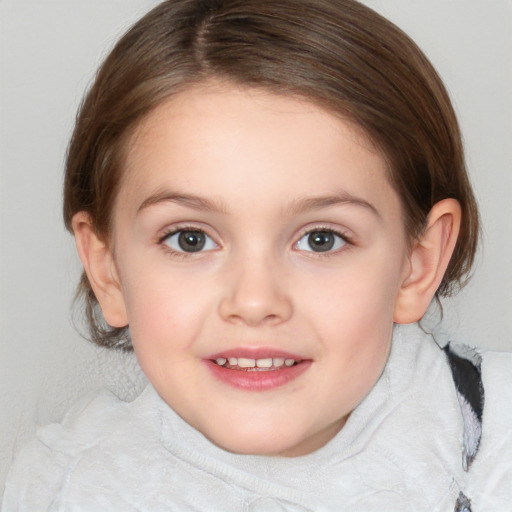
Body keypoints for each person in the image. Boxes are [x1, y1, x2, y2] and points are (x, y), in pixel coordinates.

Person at [2, 0, 511, 510]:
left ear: (417, 263)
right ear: (108, 269)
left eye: (321, 239)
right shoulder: (56, 489)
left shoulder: (497, 452)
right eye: (190, 239)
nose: (254, 301)